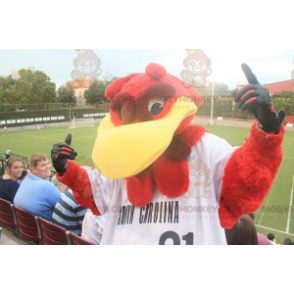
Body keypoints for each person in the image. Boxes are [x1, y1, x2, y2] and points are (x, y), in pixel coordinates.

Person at [52, 63, 285, 245]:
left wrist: (266, 133)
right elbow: (95, 195)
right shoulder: (120, 155)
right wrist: (66, 170)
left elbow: (243, 193)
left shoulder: (208, 149)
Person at [14, 153, 61, 222]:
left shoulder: (26, 180)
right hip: (45, 230)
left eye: (48, 163)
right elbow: (66, 208)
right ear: (34, 169)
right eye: (43, 165)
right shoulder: (48, 187)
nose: (48, 167)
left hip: (26, 227)